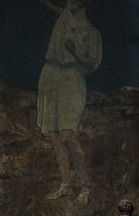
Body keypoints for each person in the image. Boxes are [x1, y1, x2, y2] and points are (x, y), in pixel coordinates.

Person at [37, 0, 102, 204]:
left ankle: (85, 185)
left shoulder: (92, 32)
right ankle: (65, 184)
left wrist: (75, 52)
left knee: (68, 135)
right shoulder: (65, 16)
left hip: (72, 80)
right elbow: (46, 5)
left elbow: (93, 63)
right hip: (51, 76)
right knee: (55, 137)